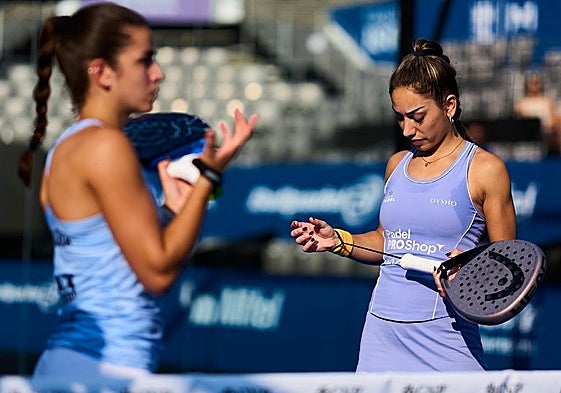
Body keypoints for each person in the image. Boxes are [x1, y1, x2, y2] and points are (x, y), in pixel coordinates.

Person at [17, 2, 258, 379]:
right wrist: (208, 178)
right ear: (101, 72)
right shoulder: (105, 148)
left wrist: (180, 211)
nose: (158, 74)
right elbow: (157, 273)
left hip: (78, 363)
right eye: (145, 60)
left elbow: (127, 262)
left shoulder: (69, 147)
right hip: (105, 371)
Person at [290, 39, 516, 372]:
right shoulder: (396, 164)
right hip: (381, 337)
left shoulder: (486, 169)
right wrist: (336, 240)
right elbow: (386, 242)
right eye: (400, 119)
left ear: (450, 106)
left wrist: (471, 270)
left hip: (447, 340)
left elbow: (510, 267)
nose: (408, 129)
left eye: (418, 116)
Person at [513, 72, 559, 156]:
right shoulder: (521, 103)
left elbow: (553, 119)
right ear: (528, 85)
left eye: (537, 83)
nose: (535, 86)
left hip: (548, 132)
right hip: (530, 132)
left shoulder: (547, 101)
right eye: (532, 83)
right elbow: (520, 122)